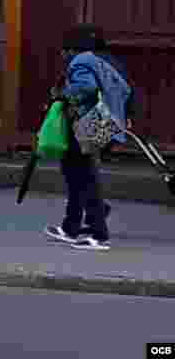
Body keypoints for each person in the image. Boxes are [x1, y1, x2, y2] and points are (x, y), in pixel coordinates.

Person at [44, 24, 131, 252]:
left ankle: (98, 234)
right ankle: (71, 227)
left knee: (83, 175)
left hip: (95, 120)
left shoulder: (81, 61)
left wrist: (61, 95)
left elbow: (86, 87)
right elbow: (126, 91)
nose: (62, 56)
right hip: (109, 121)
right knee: (75, 170)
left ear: (71, 50)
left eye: (63, 51)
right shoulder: (106, 61)